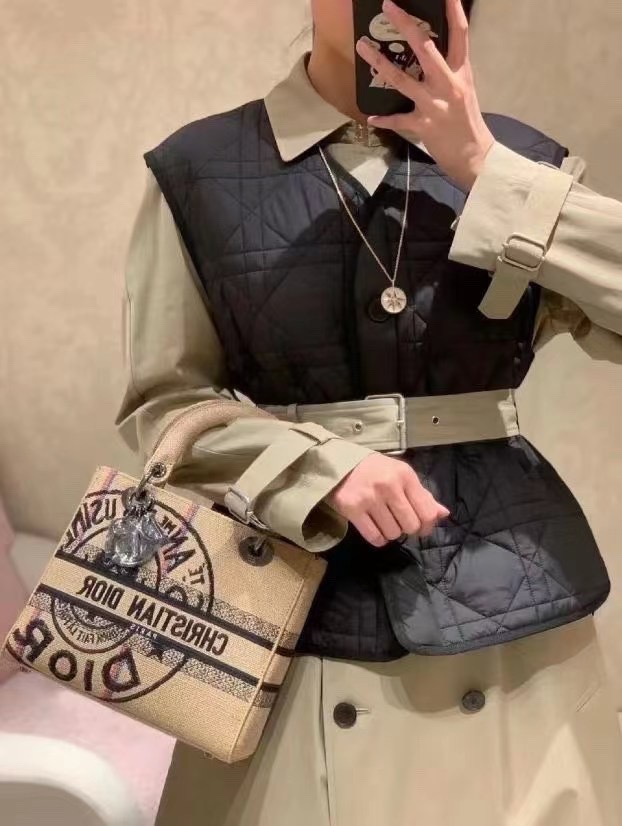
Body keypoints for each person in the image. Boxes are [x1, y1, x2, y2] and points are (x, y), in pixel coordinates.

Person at [115, 0, 622, 823]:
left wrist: (487, 169)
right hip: (285, 608)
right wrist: (317, 468)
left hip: (511, 616)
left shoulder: (528, 161)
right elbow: (165, 405)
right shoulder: (197, 169)